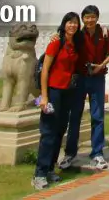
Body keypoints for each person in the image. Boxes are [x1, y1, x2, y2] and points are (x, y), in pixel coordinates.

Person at [60, 4, 109, 171]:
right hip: (80, 78)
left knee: (97, 116)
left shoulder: (104, 33)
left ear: (97, 18)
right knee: (75, 116)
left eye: (93, 17)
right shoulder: (78, 34)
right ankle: (70, 153)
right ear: (83, 19)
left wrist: (101, 65)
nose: (90, 20)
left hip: (97, 78)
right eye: (86, 17)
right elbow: (64, 41)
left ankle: (97, 153)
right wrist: (55, 37)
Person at [32, 12, 84, 191]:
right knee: (48, 132)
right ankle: (39, 173)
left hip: (67, 92)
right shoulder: (56, 42)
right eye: (70, 22)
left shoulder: (74, 44)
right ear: (64, 24)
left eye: (75, 23)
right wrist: (44, 96)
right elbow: (45, 69)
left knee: (60, 130)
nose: (72, 25)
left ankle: (50, 169)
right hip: (53, 91)